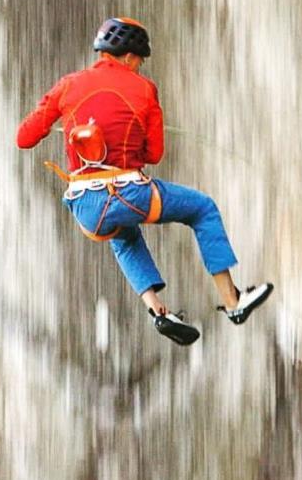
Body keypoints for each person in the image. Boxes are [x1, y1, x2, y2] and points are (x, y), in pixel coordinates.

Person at [16, 17, 273, 345]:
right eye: (138, 59)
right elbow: (154, 154)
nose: (138, 66)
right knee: (202, 210)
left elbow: (24, 138)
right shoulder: (145, 89)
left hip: (85, 208)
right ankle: (233, 302)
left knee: (122, 234)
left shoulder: (68, 85)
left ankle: (158, 311)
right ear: (127, 56)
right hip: (131, 194)